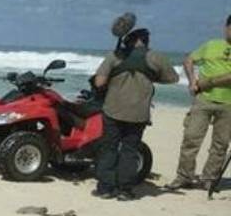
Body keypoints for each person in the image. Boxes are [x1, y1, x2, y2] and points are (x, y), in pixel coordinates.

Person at [91, 26, 179, 200]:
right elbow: (173, 78)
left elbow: (99, 82)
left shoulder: (115, 55)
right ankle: (125, 190)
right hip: (138, 113)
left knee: (109, 148)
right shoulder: (156, 57)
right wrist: (150, 77)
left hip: (113, 110)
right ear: (144, 41)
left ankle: (106, 188)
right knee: (130, 150)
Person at [167, 15, 231, 191]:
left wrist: (209, 82)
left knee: (220, 144)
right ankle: (184, 176)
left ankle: (209, 179)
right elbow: (189, 60)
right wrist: (191, 81)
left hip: (228, 104)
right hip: (203, 100)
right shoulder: (211, 45)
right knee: (191, 139)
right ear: (226, 27)